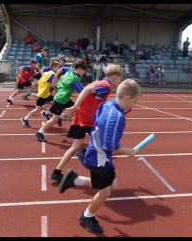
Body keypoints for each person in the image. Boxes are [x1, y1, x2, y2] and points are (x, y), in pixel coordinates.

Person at [59, 79, 142, 234]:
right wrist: (129, 151)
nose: (135, 105)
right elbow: (110, 146)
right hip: (99, 156)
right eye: (135, 101)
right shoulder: (116, 117)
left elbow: (97, 118)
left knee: (112, 185)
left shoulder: (108, 104)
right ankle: (87, 216)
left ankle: (74, 179)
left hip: (99, 152)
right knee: (105, 192)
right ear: (127, 98)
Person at [49, 64, 124, 182]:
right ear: (115, 77)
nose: (120, 82)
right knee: (104, 144)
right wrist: (75, 106)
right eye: (120, 79)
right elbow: (87, 90)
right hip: (89, 120)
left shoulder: (99, 82)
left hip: (81, 118)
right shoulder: (106, 86)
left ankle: (56, 172)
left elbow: (90, 93)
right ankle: (87, 158)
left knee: (74, 147)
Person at [35, 59, 87, 142]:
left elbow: (62, 69)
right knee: (54, 119)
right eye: (84, 71)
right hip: (61, 99)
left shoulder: (70, 70)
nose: (84, 73)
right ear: (80, 69)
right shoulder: (74, 79)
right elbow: (82, 90)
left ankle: (61, 116)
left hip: (64, 98)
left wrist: (55, 76)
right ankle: (40, 132)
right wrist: (91, 89)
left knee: (76, 109)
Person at [20, 61, 61, 128]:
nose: (59, 69)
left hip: (45, 92)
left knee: (56, 102)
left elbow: (43, 81)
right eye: (58, 67)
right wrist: (58, 84)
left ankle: (45, 113)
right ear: (54, 67)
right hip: (44, 93)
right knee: (38, 109)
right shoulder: (52, 74)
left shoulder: (48, 72)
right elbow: (52, 84)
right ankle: (25, 119)